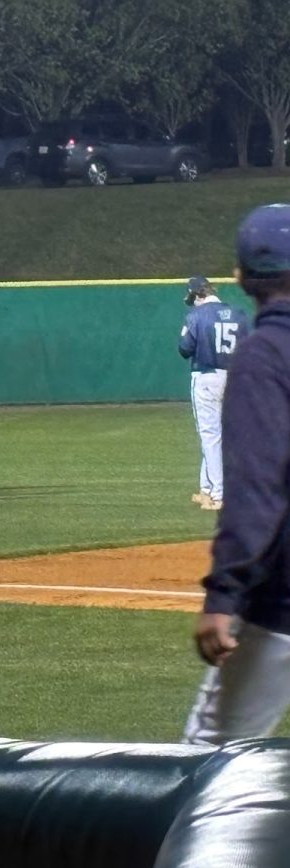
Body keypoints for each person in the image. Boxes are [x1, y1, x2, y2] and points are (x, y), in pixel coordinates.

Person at [183, 203, 290, 745]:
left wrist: (224, 595)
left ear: (242, 277)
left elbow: (257, 489)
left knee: (206, 766)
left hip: (279, 608)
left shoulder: (265, 355)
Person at [178, 275, 249, 511]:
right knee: (220, 436)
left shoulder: (197, 316)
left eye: (192, 297)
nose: (192, 301)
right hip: (234, 377)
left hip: (207, 376)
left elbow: (184, 349)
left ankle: (219, 494)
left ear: (199, 294)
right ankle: (206, 490)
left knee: (210, 437)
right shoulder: (238, 314)